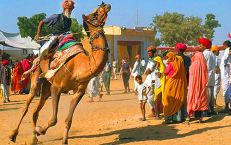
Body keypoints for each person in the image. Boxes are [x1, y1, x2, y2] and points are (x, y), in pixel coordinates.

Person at [163, 52, 187, 124]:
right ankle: (179, 118)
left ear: (171, 57)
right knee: (179, 99)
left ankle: (169, 118)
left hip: (171, 84)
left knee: (169, 100)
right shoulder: (180, 64)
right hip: (180, 85)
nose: (167, 59)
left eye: (168, 57)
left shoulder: (171, 64)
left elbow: (165, 72)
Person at [187, 52, 208, 123]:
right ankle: (200, 118)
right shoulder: (203, 64)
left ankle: (190, 117)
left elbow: (190, 74)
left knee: (192, 99)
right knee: (200, 99)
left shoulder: (192, 65)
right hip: (201, 86)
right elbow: (206, 74)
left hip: (193, 86)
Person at [199, 38, 216, 116]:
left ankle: (207, 111)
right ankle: (211, 110)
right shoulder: (212, 54)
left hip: (206, 76)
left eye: (201, 45)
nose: (200, 46)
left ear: (204, 45)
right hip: (212, 76)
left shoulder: (205, 54)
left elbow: (202, 66)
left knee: (207, 94)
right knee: (211, 94)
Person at [220, 40, 231, 113]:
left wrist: (224, 65)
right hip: (226, 72)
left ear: (225, 45)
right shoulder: (227, 50)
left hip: (226, 73)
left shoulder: (227, 50)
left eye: (223, 45)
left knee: (226, 89)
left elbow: (225, 60)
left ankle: (227, 106)